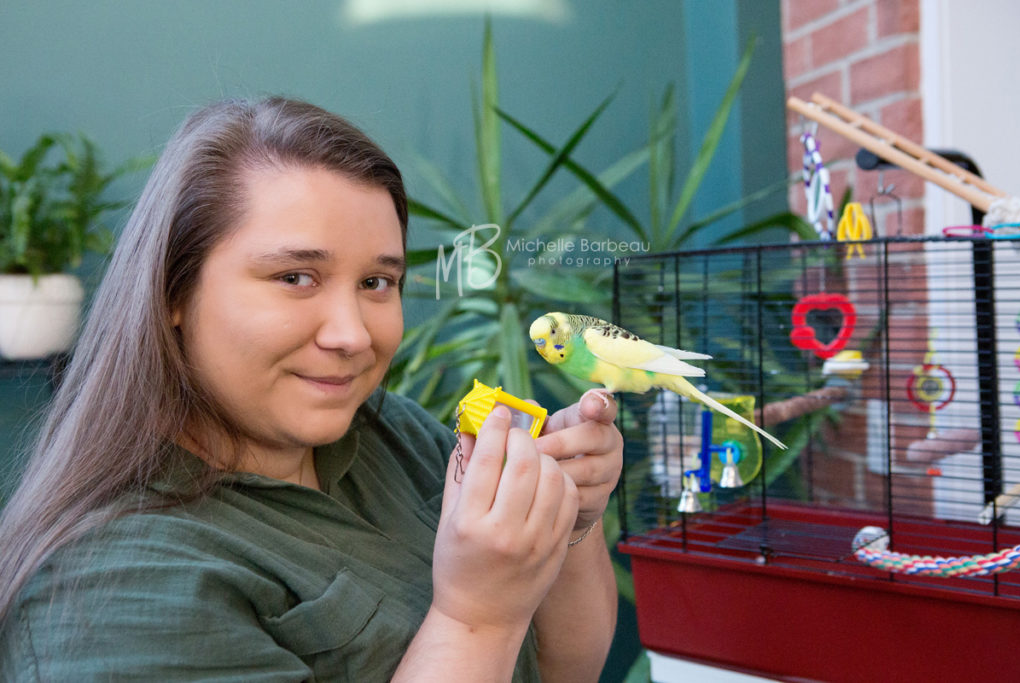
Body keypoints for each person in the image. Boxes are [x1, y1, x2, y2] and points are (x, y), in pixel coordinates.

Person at [0, 97, 622, 681]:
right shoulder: (111, 595)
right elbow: (491, 625)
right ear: (172, 293)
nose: (352, 334)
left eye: (378, 282)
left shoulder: (389, 431)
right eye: (296, 276)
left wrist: (568, 515)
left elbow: (565, 670)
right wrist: (476, 616)